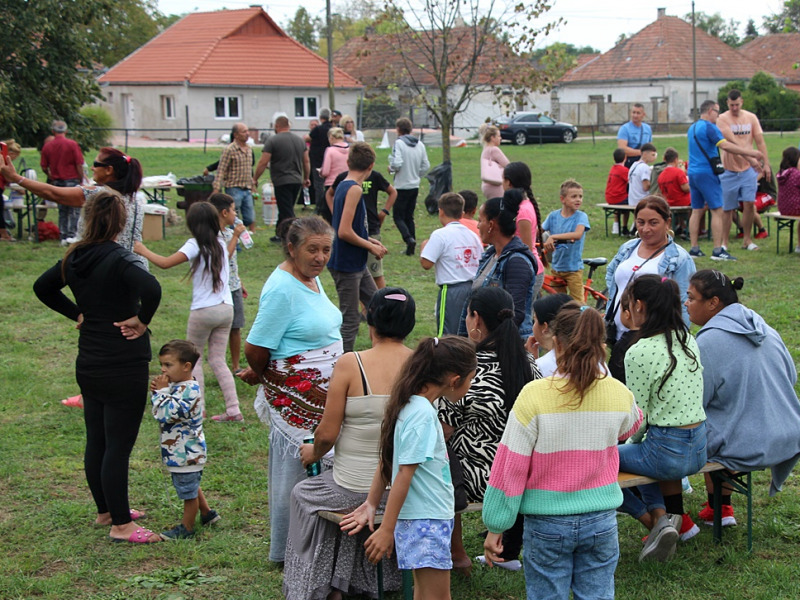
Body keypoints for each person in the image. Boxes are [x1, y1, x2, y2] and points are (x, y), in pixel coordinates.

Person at [482, 304, 642, 599]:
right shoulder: (618, 392)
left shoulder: (535, 394)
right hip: (601, 519)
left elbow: (510, 466)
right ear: (599, 344)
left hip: (547, 523)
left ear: (556, 344)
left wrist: (497, 525)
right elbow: (632, 425)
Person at [33, 190, 162, 543]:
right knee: (118, 446)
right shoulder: (121, 258)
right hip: (123, 362)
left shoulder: (74, 257)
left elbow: (42, 287)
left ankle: (106, 511)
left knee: (98, 440)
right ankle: (122, 525)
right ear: (121, 222)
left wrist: (77, 312)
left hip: (89, 360)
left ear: (86, 218)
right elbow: (151, 288)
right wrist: (140, 320)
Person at [282, 288, 415, 600]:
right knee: (342, 489)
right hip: (401, 490)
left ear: (369, 321)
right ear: (409, 326)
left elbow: (326, 436)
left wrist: (311, 452)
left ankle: (319, 582)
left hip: (354, 488)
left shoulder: (350, 363)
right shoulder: (419, 364)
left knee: (306, 493)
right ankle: (359, 578)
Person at [237, 216, 343, 565]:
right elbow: (256, 347)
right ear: (291, 247)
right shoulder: (282, 288)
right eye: (312, 249)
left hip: (322, 397)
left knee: (318, 470)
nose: (320, 257)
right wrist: (266, 373)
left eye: (326, 249)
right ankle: (289, 550)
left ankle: (316, 543)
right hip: (296, 401)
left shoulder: (310, 279)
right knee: (294, 474)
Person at [340, 336, 477, 600]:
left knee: (424, 594)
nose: (470, 387)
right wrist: (387, 529)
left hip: (423, 519)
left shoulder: (410, 404)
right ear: (454, 380)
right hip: (427, 520)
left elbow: (386, 459)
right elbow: (403, 473)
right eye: (470, 379)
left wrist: (371, 502)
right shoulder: (422, 414)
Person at [685, 270, 800, 526]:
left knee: (686, 430)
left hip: (750, 442)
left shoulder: (707, 342)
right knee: (725, 414)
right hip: (788, 432)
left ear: (713, 303)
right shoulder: (766, 328)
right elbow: (790, 377)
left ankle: (673, 515)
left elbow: (695, 403)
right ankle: (720, 507)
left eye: (691, 298)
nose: (686, 303)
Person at [440, 287, 541, 573]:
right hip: (524, 472)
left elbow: (443, 431)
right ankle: (506, 548)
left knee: (440, 460)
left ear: (477, 321)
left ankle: (456, 552)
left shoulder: (466, 369)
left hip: (481, 478)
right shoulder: (529, 363)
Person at [619, 275, 706, 561]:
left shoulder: (638, 351)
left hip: (666, 452)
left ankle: (654, 522)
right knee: (645, 454)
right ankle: (667, 519)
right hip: (699, 449)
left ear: (639, 305)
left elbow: (637, 419)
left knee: (598, 457)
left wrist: (624, 442)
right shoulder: (688, 340)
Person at [135, 202, 242, 422]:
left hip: (203, 310)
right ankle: (234, 410)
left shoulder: (195, 244)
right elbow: (227, 260)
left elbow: (165, 264)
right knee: (218, 360)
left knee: (196, 360)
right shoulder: (220, 243)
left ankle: (198, 408)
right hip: (226, 308)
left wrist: (142, 250)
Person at [1, 147, 149, 269]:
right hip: (137, 266)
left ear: (109, 170)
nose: (92, 167)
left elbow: (52, 193)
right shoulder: (135, 199)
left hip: (107, 266)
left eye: (96, 164)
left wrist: (16, 178)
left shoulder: (99, 195)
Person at [150, 339, 221, 540]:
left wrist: (161, 392)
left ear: (186, 366)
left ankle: (187, 528)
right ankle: (207, 514)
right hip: (180, 452)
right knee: (190, 483)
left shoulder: (189, 389)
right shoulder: (178, 386)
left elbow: (165, 413)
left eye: (168, 365)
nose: (163, 371)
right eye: (161, 365)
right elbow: (160, 408)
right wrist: (158, 392)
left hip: (186, 452)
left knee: (188, 492)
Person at [605, 196, 696, 343]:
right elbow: (612, 277)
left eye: (653, 223)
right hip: (618, 338)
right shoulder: (628, 248)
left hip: (652, 342)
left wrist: (676, 341)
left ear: (667, 223)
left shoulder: (680, 259)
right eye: (640, 222)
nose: (645, 229)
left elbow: (684, 306)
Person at [328, 143, 388, 353]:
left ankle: (380, 352)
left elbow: (350, 226)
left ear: (348, 162)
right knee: (351, 319)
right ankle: (343, 364)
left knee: (375, 304)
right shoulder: (352, 189)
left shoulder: (346, 184)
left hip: (357, 262)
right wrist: (369, 247)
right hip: (346, 264)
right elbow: (343, 231)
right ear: (371, 165)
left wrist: (370, 240)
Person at [686, 99, 763, 261]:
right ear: (709, 111)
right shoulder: (710, 127)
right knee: (717, 210)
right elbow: (725, 146)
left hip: (692, 172)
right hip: (707, 172)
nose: (718, 115)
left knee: (696, 210)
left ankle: (694, 248)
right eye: (717, 111)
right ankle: (717, 250)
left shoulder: (692, 128)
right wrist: (750, 153)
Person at [460, 193, 538, 338]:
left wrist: (492, 345)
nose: (477, 225)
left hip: (506, 346)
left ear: (491, 225)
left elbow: (515, 315)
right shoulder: (490, 255)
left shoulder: (517, 262)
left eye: (480, 220)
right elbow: (471, 302)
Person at [420, 192, 483, 336]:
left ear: (440, 211)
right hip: (473, 288)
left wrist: (424, 246)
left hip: (451, 290)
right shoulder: (473, 235)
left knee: (447, 335)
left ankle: (447, 359)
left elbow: (426, 263)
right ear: (462, 213)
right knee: (468, 332)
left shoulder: (440, 234)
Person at [717, 89, 771, 252]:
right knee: (728, 208)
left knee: (749, 204)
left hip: (748, 171)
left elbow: (760, 142)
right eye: (732, 105)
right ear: (727, 103)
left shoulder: (751, 118)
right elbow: (731, 143)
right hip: (729, 169)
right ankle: (724, 242)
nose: (734, 108)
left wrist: (766, 163)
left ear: (742, 102)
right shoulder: (722, 119)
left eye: (737, 104)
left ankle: (747, 239)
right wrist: (752, 159)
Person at [327, 166, 397, 290]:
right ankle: (369, 308)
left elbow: (393, 192)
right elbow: (329, 194)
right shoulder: (346, 183)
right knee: (357, 284)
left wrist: (384, 211)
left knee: (375, 274)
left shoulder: (374, 176)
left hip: (371, 229)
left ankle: (381, 305)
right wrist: (336, 213)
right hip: (351, 242)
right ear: (371, 164)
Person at [208, 193, 248, 373]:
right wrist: (236, 237)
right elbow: (224, 257)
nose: (235, 214)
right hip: (219, 289)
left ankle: (235, 365)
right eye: (233, 210)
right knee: (218, 329)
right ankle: (218, 363)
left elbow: (232, 265)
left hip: (234, 285)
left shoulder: (230, 232)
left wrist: (240, 281)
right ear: (224, 212)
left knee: (236, 326)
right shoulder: (212, 235)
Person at [254, 116, 310, 241]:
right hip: (296, 180)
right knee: (286, 207)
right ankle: (280, 234)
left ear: (277, 126)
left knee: (287, 211)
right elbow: (306, 161)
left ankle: (297, 235)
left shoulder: (273, 141)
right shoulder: (300, 141)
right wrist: (306, 177)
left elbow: (263, 162)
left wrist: (255, 178)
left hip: (281, 180)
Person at [542, 179, 591, 303]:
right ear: (562, 199)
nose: (578, 199)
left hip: (573, 269)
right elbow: (539, 231)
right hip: (557, 267)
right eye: (574, 196)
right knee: (558, 302)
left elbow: (578, 234)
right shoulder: (553, 216)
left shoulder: (581, 216)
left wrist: (553, 237)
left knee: (577, 303)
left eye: (580, 196)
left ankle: (582, 320)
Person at [503, 161, 547, 298]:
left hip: (527, 271)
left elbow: (526, 248)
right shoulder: (522, 207)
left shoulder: (523, 212)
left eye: (502, 180)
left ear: (509, 182)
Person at [388, 117, 430, 255]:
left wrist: (391, 168)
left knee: (398, 216)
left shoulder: (399, 144)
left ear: (398, 129)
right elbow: (426, 165)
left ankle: (408, 239)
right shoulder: (420, 144)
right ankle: (412, 243)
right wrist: (417, 175)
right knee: (409, 216)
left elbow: (397, 163)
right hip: (414, 185)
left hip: (401, 185)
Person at [40, 120, 85, 245]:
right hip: (72, 180)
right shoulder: (72, 144)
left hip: (57, 181)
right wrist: (81, 179)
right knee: (74, 209)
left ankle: (63, 235)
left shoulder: (47, 146)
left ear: (53, 131)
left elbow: (44, 166)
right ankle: (72, 235)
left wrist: (50, 176)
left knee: (62, 209)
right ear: (66, 131)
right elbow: (78, 164)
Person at [213, 122, 255, 233]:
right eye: (244, 131)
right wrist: (216, 188)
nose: (247, 134)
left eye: (247, 131)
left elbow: (249, 169)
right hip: (233, 188)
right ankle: (234, 243)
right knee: (232, 219)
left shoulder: (249, 149)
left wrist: (253, 185)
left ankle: (241, 235)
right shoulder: (230, 150)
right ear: (236, 135)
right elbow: (221, 169)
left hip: (247, 189)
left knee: (249, 218)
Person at [528, 293, 573, 377]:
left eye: (535, 320)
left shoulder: (541, 367)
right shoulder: (596, 360)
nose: (533, 326)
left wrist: (533, 363)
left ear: (545, 327)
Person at [306, 108, 333, 211]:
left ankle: (320, 206)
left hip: (317, 160)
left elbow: (308, 138)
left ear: (321, 117)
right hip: (330, 160)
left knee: (318, 185)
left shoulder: (317, 129)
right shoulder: (332, 129)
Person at [776, 146, 800, 253]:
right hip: (796, 208)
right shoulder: (796, 174)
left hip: (783, 208)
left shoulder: (781, 173)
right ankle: (799, 244)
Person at [617, 103, 653, 168]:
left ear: (643, 115)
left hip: (643, 164)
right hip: (628, 164)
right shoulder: (624, 129)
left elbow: (650, 148)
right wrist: (641, 152)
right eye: (633, 112)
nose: (635, 115)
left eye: (638, 113)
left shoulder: (647, 129)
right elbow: (622, 149)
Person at [479, 124, 510, 200]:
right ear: (492, 138)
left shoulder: (486, 150)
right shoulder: (494, 150)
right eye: (499, 136)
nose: (500, 138)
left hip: (487, 185)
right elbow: (508, 165)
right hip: (496, 185)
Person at [605, 147, 629, 235]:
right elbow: (631, 181)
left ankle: (616, 227)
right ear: (625, 158)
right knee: (632, 203)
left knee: (618, 206)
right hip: (618, 198)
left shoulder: (613, 168)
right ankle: (625, 227)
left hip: (609, 197)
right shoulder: (624, 170)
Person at [627, 142, 657, 213]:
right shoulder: (644, 167)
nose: (654, 157)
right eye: (652, 155)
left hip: (632, 200)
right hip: (641, 200)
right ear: (645, 154)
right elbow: (646, 187)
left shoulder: (634, 165)